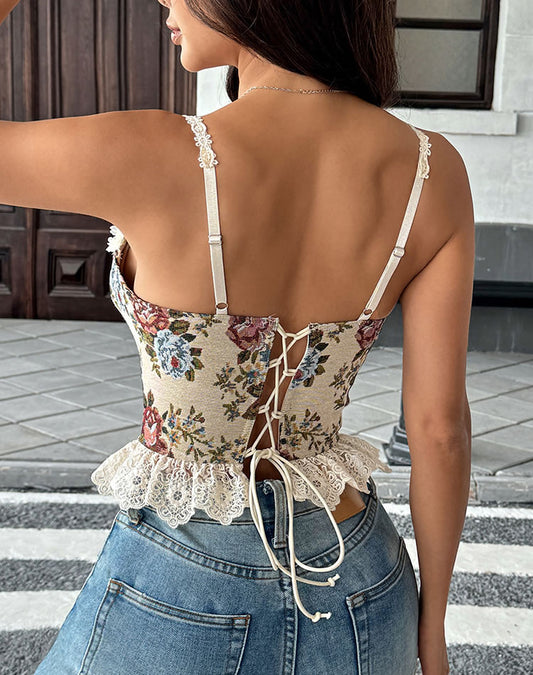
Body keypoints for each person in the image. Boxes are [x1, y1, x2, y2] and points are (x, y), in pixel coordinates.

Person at [0, 0, 474, 673]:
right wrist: (432, 631)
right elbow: (439, 429)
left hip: (183, 579)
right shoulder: (432, 169)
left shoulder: (152, 153)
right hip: (363, 577)